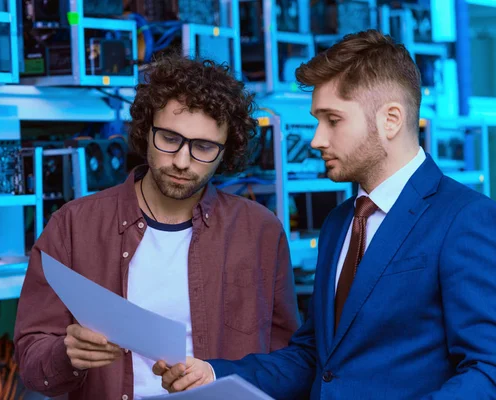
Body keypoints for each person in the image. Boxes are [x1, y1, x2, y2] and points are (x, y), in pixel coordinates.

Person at [153, 30, 496, 399]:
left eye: (332, 120)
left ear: (391, 120)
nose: (316, 139)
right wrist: (214, 376)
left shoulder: (465, 218)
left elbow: (487, 370)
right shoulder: (340, 223)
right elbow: (315, 358)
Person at [13, 55, 301, 400]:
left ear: (227, 151)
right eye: (169, 138)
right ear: (146, 130)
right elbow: (31, 360)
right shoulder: (75, 224)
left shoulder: (259, 232)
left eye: (204, 147)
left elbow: (288, 363)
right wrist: (67, 354)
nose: (181, 161)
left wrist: (216, 374)